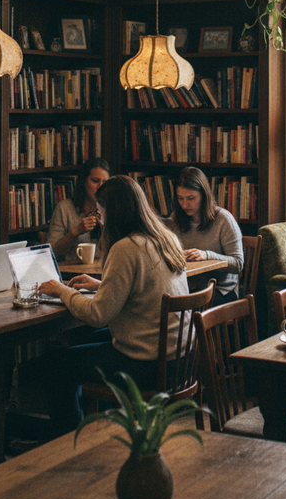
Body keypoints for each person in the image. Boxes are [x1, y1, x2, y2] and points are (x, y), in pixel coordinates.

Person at [38, 175, 189, 438]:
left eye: (101, 210)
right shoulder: (166, 238)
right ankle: (95, 426)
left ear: (113, 211)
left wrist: (61, 290)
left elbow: (98, 315)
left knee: (56, 364)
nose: (99, 217)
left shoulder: (126, 248)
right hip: (179, 359)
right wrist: (101, 285)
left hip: (148, 364)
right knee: (79, 343)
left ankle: (66, 444)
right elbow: (146, 288)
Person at [165, 166, 244, 305]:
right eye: (180, 198)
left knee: (187, 309)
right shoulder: (176, 219)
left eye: (191, 198)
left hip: (221, 290)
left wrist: (206, 255)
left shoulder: (223, 219)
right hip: (188, 288)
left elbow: (238, 263)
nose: (185, 204)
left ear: (203, 195)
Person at [46, 157, 110, 261]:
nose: (100, 187)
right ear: (84, 181)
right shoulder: (65, 208)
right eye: (95, 181)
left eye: (105, 182)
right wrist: (76, 232)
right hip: (73, 272)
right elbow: (51, 253)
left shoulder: (111, 209)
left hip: (103, 272)